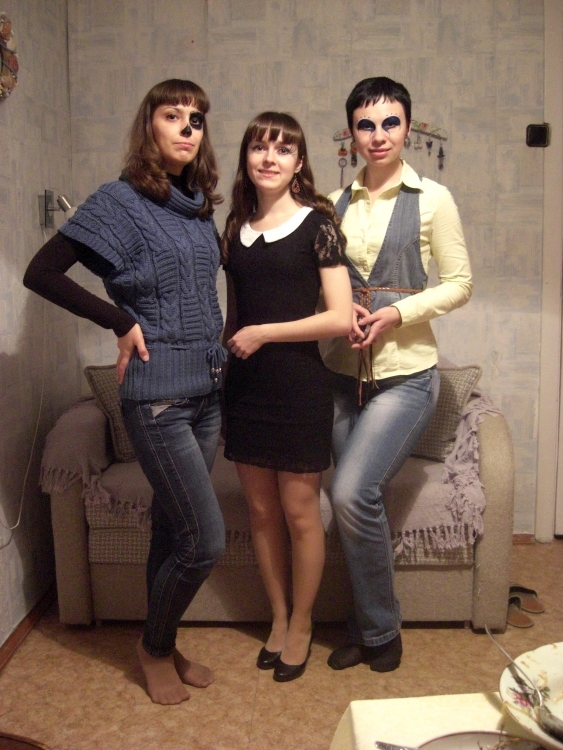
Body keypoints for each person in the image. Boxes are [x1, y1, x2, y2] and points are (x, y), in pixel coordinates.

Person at [23, 79, 227, 704]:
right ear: (149, 126)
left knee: (172, 530)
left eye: (197, 118)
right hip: (158, 399)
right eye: (173, 115)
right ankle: (153, 649)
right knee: (206, 541)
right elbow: (41, 272)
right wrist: (119, 320)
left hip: (208, 394)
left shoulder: (198, 206)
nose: (187, 127)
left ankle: (161, 639)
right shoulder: (119, 201)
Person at [322, 77, 472, 673]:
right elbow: (321, 283)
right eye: (366, 124)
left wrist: (395, 313)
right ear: (351, 133)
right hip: (341, 374)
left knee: (350, 492)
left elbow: (460, 284)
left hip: (406, 375)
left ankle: (383, 634)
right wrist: (339, 314)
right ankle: (365, 625)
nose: (378, 135)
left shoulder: (434, 198)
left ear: (408, 127)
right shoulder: (331, 205)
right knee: (359, 504)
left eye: (390, 122)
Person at [221, 112, 352, 682]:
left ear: (299, 163)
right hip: (245, 388)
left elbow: (340, 317)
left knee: (300, 514)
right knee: (260, 512)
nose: (269, 158)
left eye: (282, 149)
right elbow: (233, 319)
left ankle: (302, 623)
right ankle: (277, 616)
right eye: (259, 147)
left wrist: (265, 333)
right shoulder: (235, 227)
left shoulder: (319, 224)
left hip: (299, 387)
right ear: (247, 158)